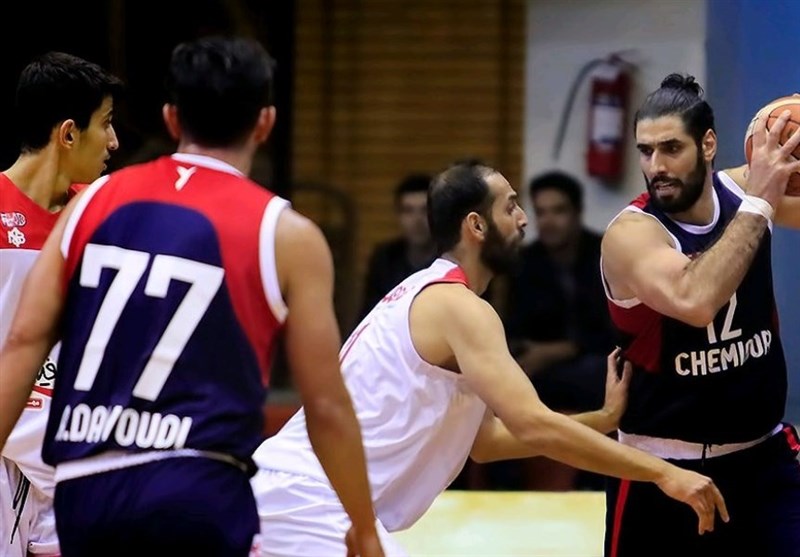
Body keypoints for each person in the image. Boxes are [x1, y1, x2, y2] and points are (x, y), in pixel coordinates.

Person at [0, 36, 383, 557]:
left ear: (172, 118)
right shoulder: (286, 232)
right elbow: (326, 403)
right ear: (265, 122)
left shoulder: (95, 204)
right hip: (195, 483)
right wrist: (362, 524)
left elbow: (22, 342)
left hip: (86, 485)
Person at [250, 160, 730, 557]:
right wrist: (664, 472)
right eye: (511, 206)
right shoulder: (459, 306)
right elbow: (533, 423)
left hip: (295, 497)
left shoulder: (434, 295)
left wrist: (602, 419)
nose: (524, 220)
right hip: (308, 501)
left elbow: (484, 442)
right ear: (476, 225)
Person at [600, 74, 800, 557]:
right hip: (663, 473)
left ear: (708, 144)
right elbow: (695, 300)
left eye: (671, 148)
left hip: (764, 461)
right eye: (646, 151)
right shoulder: (631, 235)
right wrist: (761, 202)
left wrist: (768, 188)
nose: (657, 166)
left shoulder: (747, 194)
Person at [0, 51, 123, 557]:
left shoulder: (101, 216)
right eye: (106, 123)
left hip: (76, 453)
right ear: (69, 134)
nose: (114, 142)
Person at [507, 170, 614, 412]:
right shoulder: (524, 263)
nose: (548, 222)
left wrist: (564, 349)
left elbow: (615, 331)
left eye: (558, 211)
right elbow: (516, 326)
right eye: (541, 212)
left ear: (577, 212)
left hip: (597, 363)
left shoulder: (605, 255)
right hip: (543, 370)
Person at [359, 173, 436, 319]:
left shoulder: (451, 259)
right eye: (408, 211)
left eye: (424, 210)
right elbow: (369, 314)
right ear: (398, 215)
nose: (417, 221)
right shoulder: (385, 258)